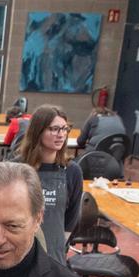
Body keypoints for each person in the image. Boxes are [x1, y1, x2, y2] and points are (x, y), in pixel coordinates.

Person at [15, 105, 82, 263]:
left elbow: (71, 219)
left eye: (65, 129)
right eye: (54, 129)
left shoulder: (72, 171)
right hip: (19, 253)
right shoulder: (16, 168)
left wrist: (56, 247)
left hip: (54, 255)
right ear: (38, 132)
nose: (61, 135)